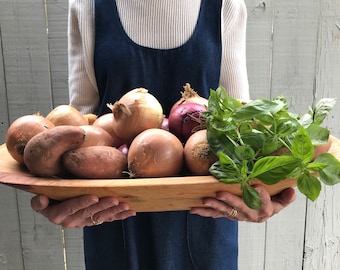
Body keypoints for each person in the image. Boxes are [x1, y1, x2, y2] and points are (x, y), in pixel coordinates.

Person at [31, 0, 296, 269]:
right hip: (114, 218)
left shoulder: (225, 5)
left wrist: (257, 193)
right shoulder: (88, 5)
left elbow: (240, 122)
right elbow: (81, 126)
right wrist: (60, 195)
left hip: (206, 221)